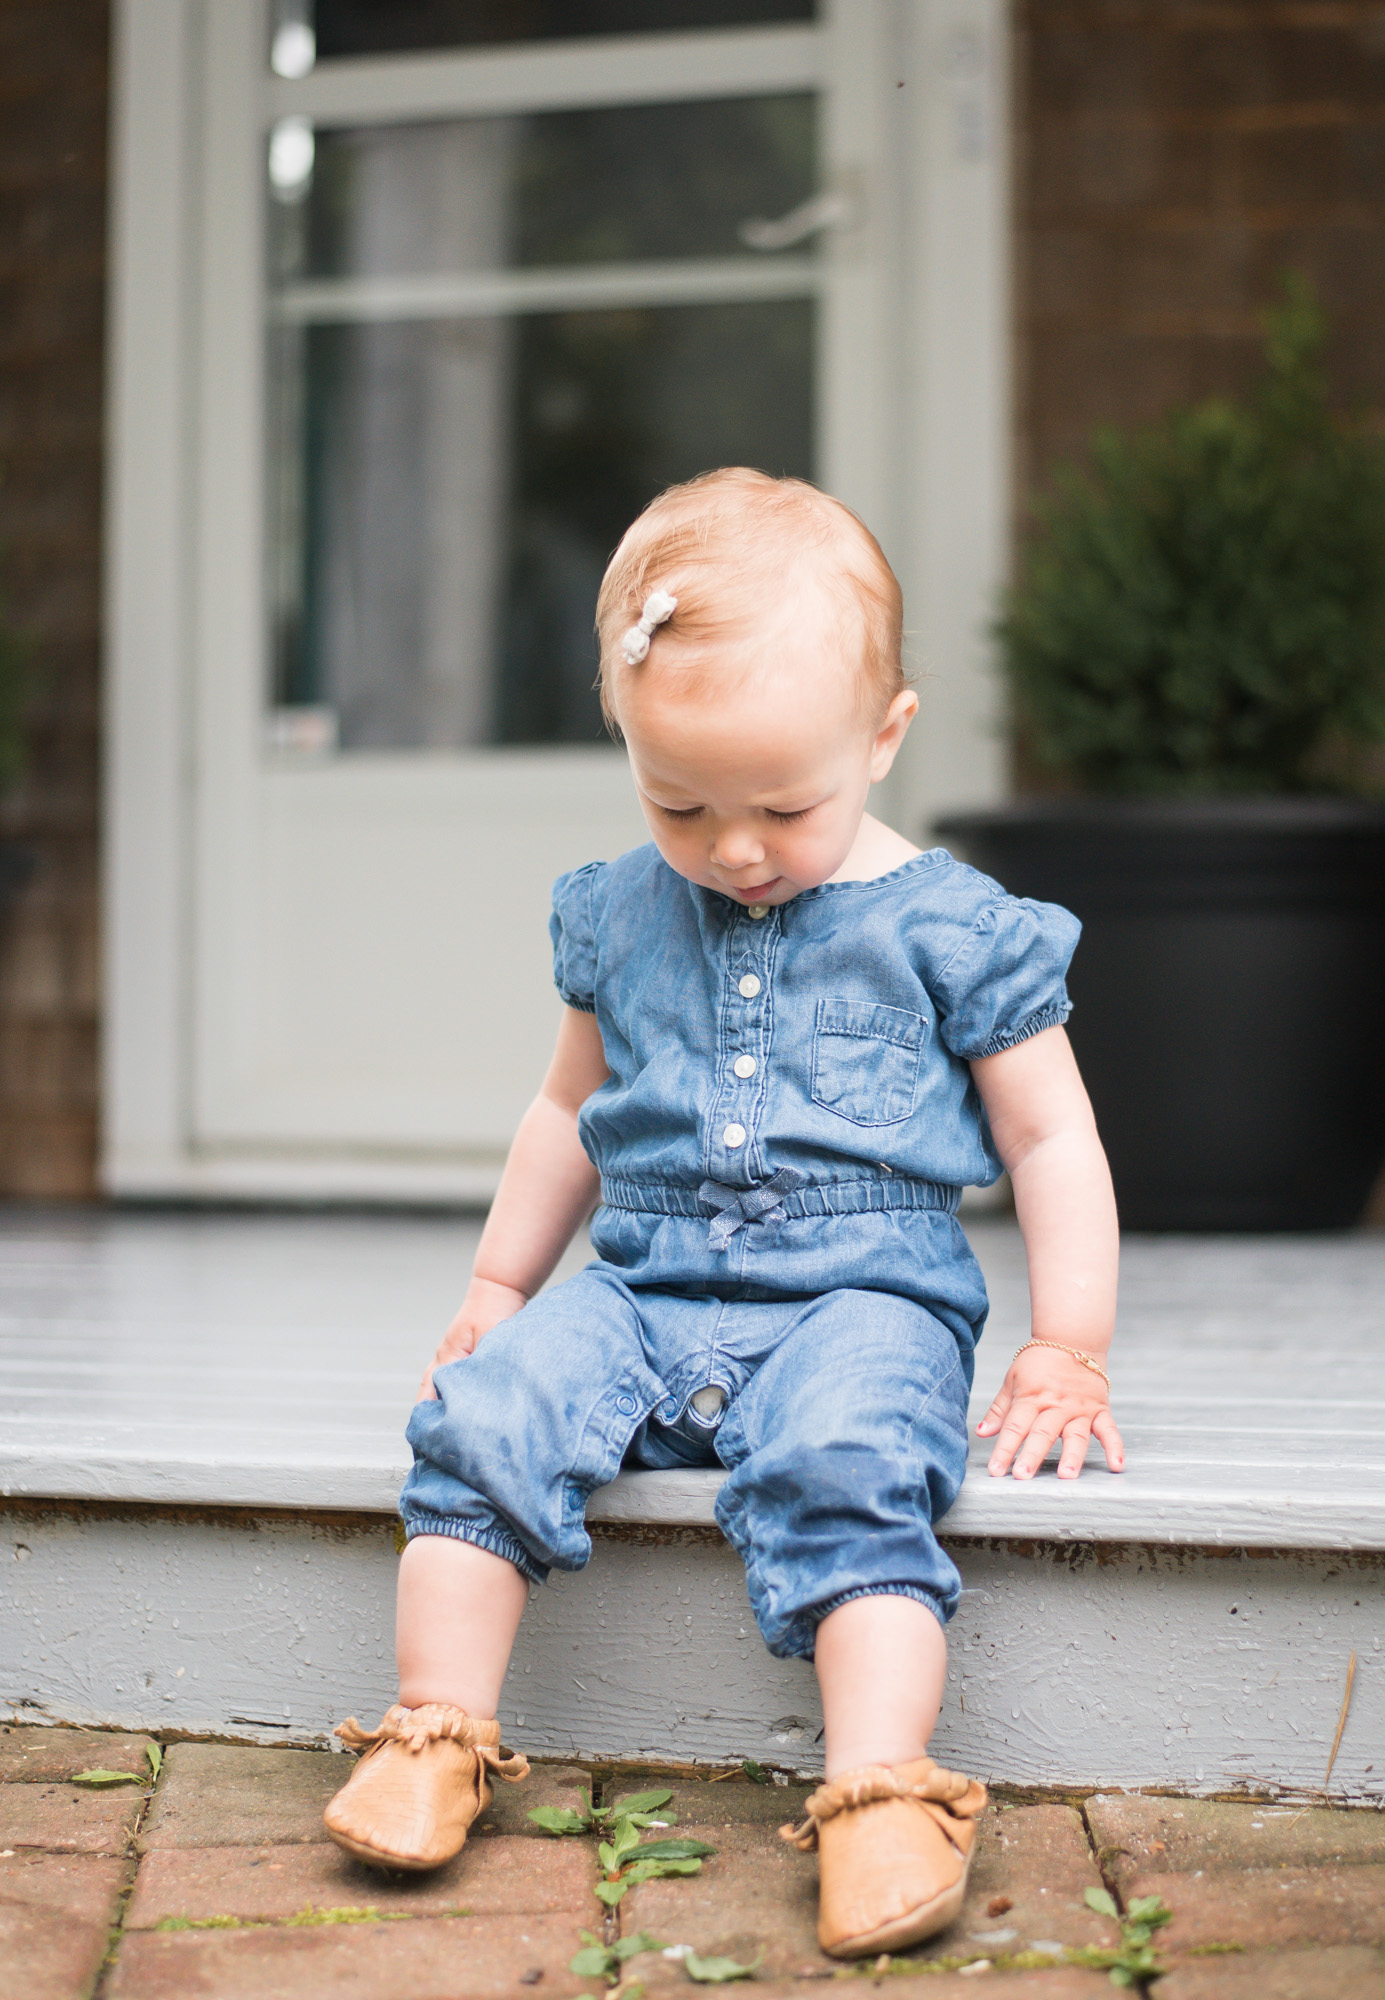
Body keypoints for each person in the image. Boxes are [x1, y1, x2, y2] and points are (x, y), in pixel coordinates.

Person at [322, 468, 1123, 1959]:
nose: (735, 847)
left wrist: (1067, 1341)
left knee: (851, 1463)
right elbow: (567, 1109)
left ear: (884, 737)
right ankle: (435, 1728)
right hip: (640, 1284)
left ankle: (881, 1785)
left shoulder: (953, 925)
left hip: (860, 1303)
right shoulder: (620, 909)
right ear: (626, 742)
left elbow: (1050, 1131)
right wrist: (503, 1285)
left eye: (785, 805)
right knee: (485, 1420)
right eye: (679, 800)